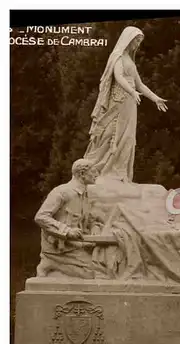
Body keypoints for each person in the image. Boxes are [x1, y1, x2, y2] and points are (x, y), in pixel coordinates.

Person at [84, 26, 168, 182]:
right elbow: (119, 76)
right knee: (110, 133)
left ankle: (119, 172)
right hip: (119, 100)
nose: (137, 44)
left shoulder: (130, 60)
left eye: (139, 41)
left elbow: (140, 84)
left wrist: (155, 98)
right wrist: (131, 91)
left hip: (130, 102)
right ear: (128, 39)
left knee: (128, 137)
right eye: (136, 40)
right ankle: (97, 168)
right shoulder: (117, 56)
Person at [34, 159, 103, 279]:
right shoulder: (61, 192)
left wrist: (94, 227)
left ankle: (51, 264)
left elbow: (90, 219)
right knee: (94, 273)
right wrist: (66, 230)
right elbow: (41, 217)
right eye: (93, 171)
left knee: (104, 264)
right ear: (82, 174)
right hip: (59, 250)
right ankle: (51, 263)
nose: (97, 174)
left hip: (77, 245)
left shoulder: (85, 194)